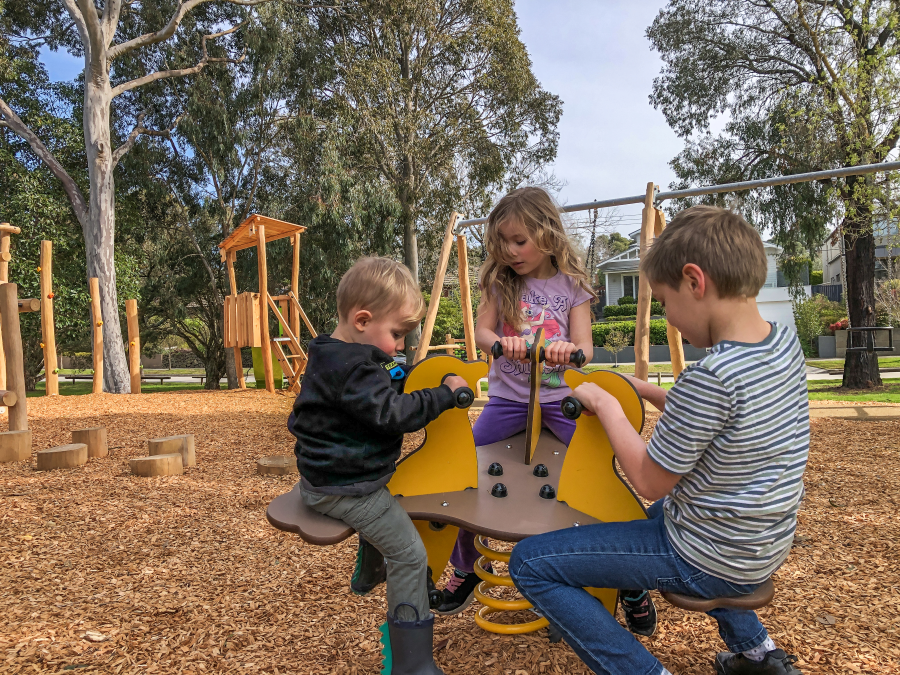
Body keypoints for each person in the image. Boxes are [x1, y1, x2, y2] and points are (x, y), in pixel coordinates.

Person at [507, 206, 808, 675]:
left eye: (666, 301)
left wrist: (608, 407)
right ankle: (757, 654)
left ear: (694, 281)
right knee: (630, 516)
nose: (671, 318)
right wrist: (644, 391)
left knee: (530, 562)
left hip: (705, 553)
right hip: (760, 540)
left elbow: (650, 479)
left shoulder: (709, 378)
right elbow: (728, 419)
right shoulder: (783, 343)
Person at [433, 187, 666, 628]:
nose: (509, 250)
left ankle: (628, 580)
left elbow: (585, 347)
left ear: (548, 234)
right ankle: (464, 568)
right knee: (462, 472)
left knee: (598, 475)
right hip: (508, 400)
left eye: (519, 240)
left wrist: (566, 351)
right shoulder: (500, 282)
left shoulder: (572, 286)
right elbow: (482, 333)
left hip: (561, 400)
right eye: (501, 242)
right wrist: (504, 343)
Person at [290, 256, 469, 674]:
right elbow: (393, 414)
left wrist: (404, 372)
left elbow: (387, 374)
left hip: (326, 475)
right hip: (346, 487)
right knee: (410, 554)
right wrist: (442, 396)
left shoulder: (335, 353)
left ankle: (370, 566)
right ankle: (412, 663)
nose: (401, 345)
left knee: (399, 501)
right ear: (362, 320)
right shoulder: (355, 370)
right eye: (397, 333)